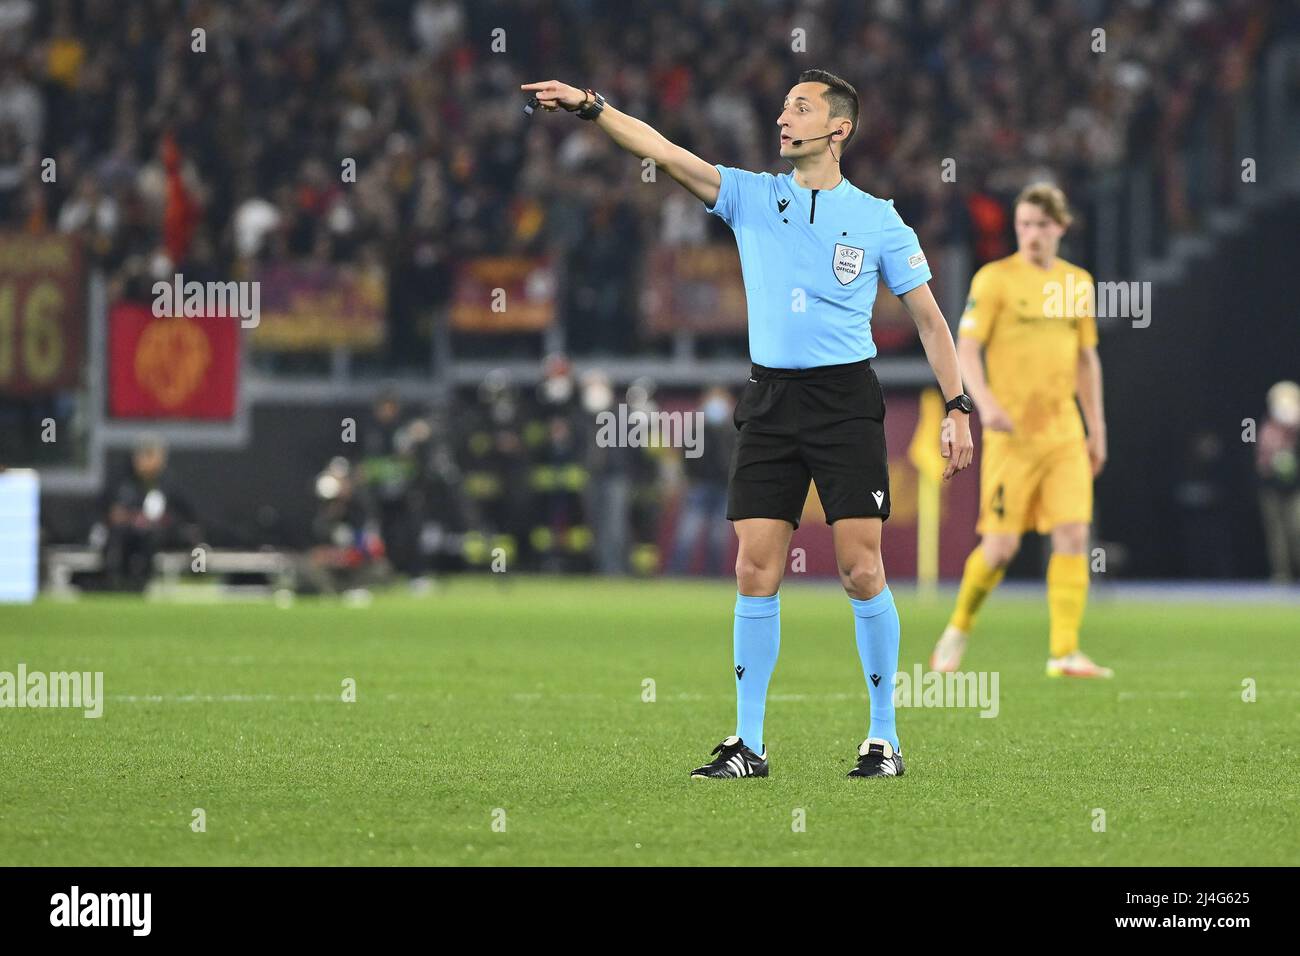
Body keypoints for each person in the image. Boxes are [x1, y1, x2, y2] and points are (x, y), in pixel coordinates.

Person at [521, 70, 975, 779]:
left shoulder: (881, 219)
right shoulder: (753, 196)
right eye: (783, 107)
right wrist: (594, 107)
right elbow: (666, 153)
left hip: (845, 402)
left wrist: (957, 407)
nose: (783, 118)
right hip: (769, 402)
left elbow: (930, 320)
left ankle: (882, 738)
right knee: (754, 568)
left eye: (800, 108)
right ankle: (748, 744)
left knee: (861, 570)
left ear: (838, 129)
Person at [930, 184, 1112, 679]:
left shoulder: (1078, 283)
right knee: (1000, 549)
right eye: (1024, 225)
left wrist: (1096, 429)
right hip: (1012, 436)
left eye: (1041, 225)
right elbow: (967, 349)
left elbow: (1086, 359)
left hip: (1063, 433)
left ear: (1061, 227)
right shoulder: (994, 280)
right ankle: (959, 625)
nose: (1031, 234)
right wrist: (984, 405)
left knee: (1073, 534)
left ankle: (1064, 651)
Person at [1257, 380, 1300, 582]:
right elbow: (1260, 459)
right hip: (1272, 488)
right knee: (1277, 533)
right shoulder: (1264, 427)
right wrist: (1274, 463)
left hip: (1296, 488)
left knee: (1297, 527)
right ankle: (1281, 575)